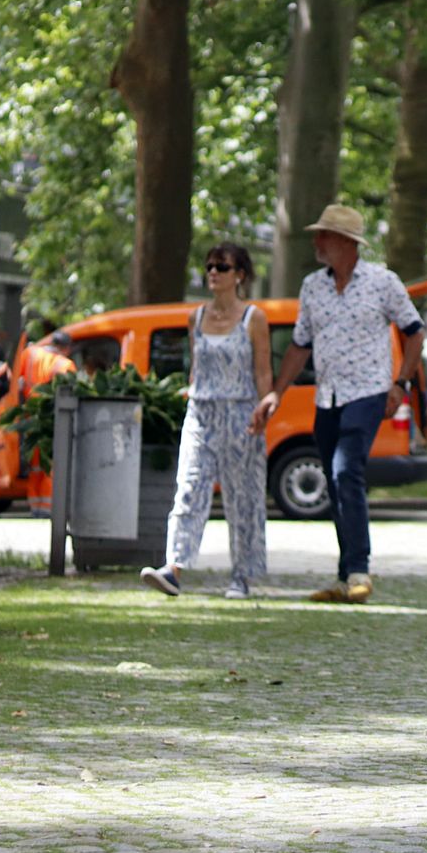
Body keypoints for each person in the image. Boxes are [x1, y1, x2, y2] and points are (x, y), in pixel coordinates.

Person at [252, 204, 424, 605]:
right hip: (326, 396)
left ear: (346, 243)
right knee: (333, 481)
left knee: (348, 471)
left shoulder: (383, 282)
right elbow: (299, 346)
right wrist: (276, 391)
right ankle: (347, 576)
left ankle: (360, 569)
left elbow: (414, 333)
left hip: (367, 392)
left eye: (324, 236)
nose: (317, 242)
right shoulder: (313, 286)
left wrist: (401, 384)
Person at [142, 244, 273, 600]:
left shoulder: (253, 318)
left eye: (222, 266)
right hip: (201, 412)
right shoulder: (195, 317)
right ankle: (174, 568)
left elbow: (263, 372)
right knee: (189, 487)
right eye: (210, 266)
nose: (213, 272)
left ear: (239, 275)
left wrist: (265, 407)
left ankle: (242, 575)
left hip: (241, 413)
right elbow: (196, 367)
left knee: (242, 497)